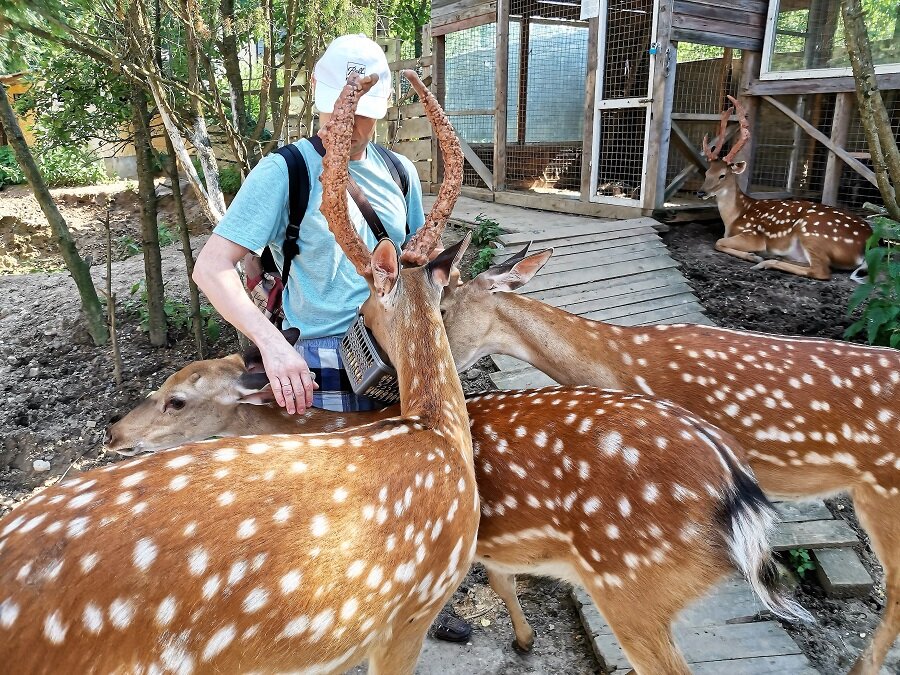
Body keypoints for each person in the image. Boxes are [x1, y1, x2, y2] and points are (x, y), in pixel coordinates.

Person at [192, 33, 472, 643]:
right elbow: (212, 268)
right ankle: (322, 617)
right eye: (336, 111)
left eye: (360, 113)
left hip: (392, 356)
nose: (346, 123)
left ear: (379, 110)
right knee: (324, 503)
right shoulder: (285, 171)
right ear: (322, 104)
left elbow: (418, 269)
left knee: (400, 484)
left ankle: (416, 595)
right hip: (313, 360)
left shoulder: (398, 172)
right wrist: (272, 345)